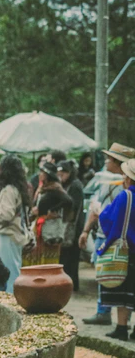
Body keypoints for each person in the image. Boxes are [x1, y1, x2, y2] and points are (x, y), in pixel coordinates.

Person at [79, 143, 134, 325]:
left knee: (119, 280)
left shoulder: (124, 189)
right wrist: (86, 230)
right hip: (110, 235)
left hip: (114, 238)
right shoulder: (105, 181)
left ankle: (111, 317)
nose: (105, 162)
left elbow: (107, 214)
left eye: (109, 159)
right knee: (108, 276)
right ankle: (105, 312)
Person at [96, 157, 135, 341]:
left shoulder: (125, 196)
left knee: (123, 291)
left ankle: (121, 328)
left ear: (128, 178)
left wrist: (99, 213)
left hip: (127, 251)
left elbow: (109, 219)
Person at [0, 155, 32, 293]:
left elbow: (5, 215)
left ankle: (12, 302)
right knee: (14, 269)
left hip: (8, 234)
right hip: (16, 235)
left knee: (9, 273)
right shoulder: (18, 188)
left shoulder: (9, 189)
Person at [23, 162, 73, 266]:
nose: (39, 174)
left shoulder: (55, 188)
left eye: (42, 172)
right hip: (40, 227)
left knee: (48, 259)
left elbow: (68, 201)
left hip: (49, 228)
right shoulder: (43, 188)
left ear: (47, 174)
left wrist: (53, 211)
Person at [57, 160, 85, 291]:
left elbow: (74, 208)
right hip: (70, 226)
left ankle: (72, 285)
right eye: (59, 172)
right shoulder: (67, 185)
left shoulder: (75, 186)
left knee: (71, 258)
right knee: (67, 258)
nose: (60, 175)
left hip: (74, 227)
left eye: (63, 172)